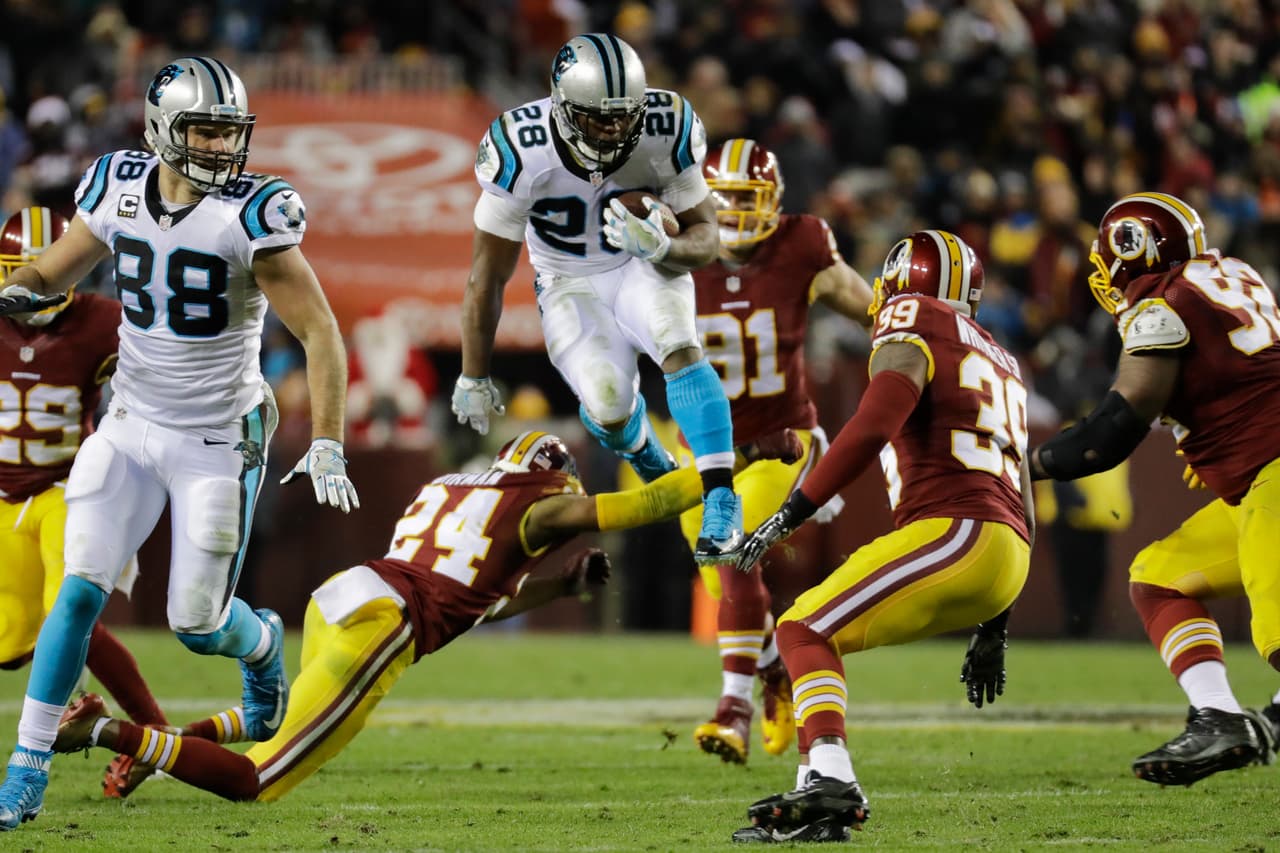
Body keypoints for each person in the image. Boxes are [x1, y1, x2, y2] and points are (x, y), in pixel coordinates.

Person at [0, 56, 358, 830]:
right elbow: (55, 269)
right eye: (203, 128)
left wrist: (326, 439)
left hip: (216, 436)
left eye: (229, 131)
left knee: (196, 622)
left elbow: (321, 331)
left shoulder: (251, 212)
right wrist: (17, 289)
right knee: (80, 586)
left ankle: (260, 641)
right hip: (129, 423)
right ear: (163, 128)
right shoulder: (118, 185)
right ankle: (24, 764)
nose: (221, 147)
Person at [53, 430, 756, 802]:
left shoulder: (446, 488)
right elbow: (640, 507)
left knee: (272, 722)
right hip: (384, 625)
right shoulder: (541, 502)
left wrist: (558, 586)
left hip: (348, 595)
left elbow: (467, 596)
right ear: (552, 476)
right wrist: (729, 462)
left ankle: (156, 745)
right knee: (257, 780)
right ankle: (108, 728)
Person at [732, 231, 1034, 842]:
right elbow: (1025, 493)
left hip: (956, 529)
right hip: (1006, 551)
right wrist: (995, 624)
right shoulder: (1001, 357)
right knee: (821, 634)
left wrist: (791, 511)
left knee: (801, 628)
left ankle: (832, 780)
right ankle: (817, 799)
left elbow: (873, 425)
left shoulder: (915, 317)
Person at [451, 33, 745, 568]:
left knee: (675, 339)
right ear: (562, 109)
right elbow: (486, 277)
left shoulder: (665, 124)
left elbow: (709, 238)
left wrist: (665, 246)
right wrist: (474, 373)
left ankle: (722, 496)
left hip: (642, 260)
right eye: (597, 117)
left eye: (623, 115)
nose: (613, 129)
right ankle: (647, 453)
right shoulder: (521, 146)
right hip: (567, 280)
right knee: (608, 407)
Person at [1028, 191, 1280, 786]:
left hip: (1272, 471)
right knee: (1159, 576)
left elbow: (1113, 429)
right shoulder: (1234, 275)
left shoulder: (1161, 306)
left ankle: (1263, 723)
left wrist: (1026, 461)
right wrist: (1216, 427)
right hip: (1257, 479)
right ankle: (1219, 718)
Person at [677, 138, 873, 764]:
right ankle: (773, 672)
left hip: (782, 441)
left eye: (746, 199)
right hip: (704, 449)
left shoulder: (802, 244)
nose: (733, 213)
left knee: (733, 553)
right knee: (724, 577)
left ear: (773, 203)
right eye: (722, 200)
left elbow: (873, 308)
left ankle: (730, 709)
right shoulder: (671, 250)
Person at [0, 206, 170, 799]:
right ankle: (84, 705)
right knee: (8, 644)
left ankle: (150, 726)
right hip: (2, 499)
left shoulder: (103, 323)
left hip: (63, 490)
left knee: (70, 608)